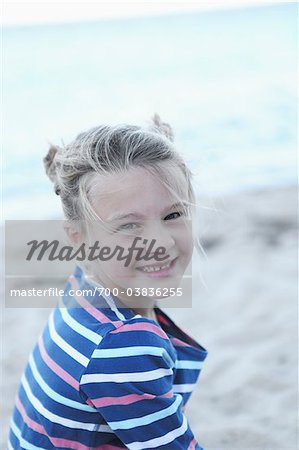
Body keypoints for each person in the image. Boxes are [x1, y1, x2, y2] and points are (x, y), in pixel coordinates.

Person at [8, 114, 208, 449]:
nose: (159, 242)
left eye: (173, 215)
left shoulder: (84, 289)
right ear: (78, 238)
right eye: (128, 226)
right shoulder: (121, 346)